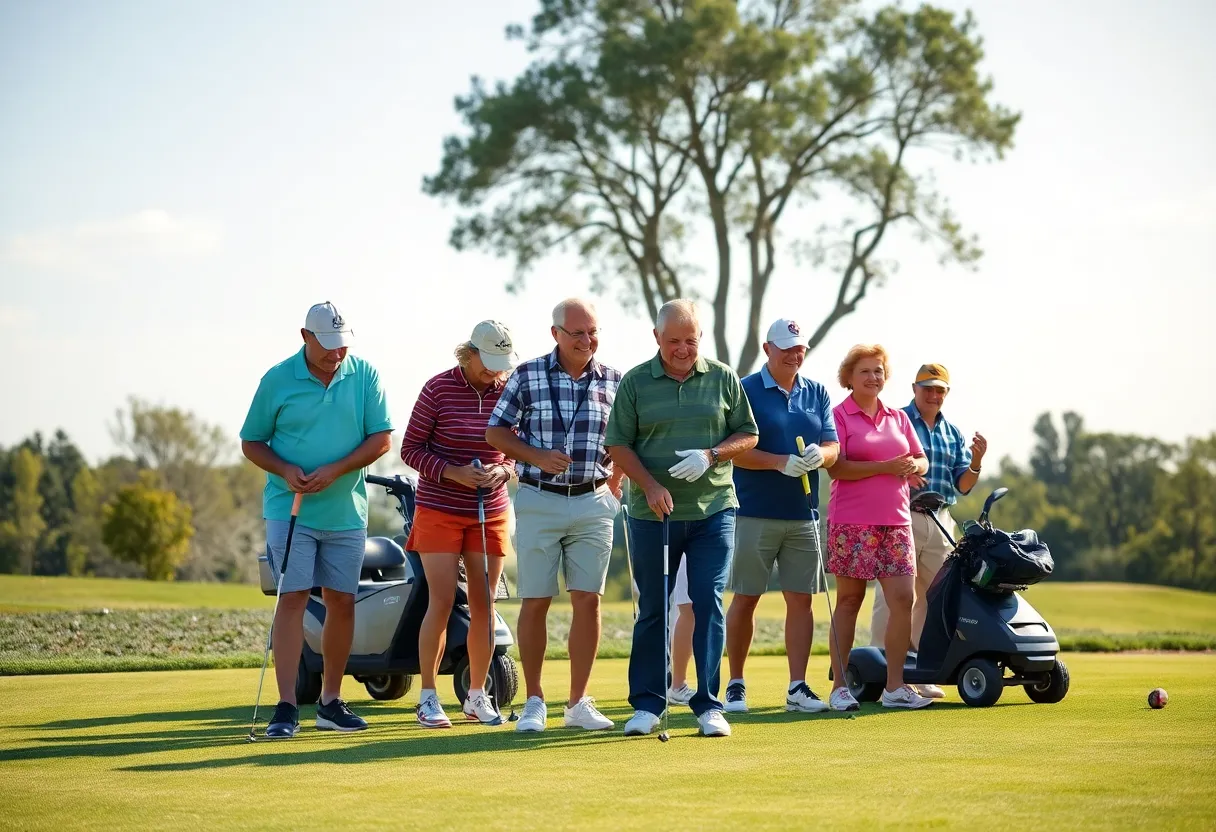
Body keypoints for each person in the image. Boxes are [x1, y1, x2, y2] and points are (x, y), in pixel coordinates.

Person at [605, 299, 759, 738]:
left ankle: (709, 705)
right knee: (654, 608)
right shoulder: (636, 382)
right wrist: (650, 486)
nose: (683, 349)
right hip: (652, 514)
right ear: (657, 338)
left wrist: (712, 454)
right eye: (674, 341)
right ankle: (648, 704)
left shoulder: (723, 377)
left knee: (708, 602)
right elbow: (618, 445)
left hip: (714, 510)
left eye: (690, 340)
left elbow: (748, 434)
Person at [240, 301, 394, 739]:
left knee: (342, 600)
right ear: (305, 337)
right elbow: (252, 442)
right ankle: (287, 705)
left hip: (347, 511)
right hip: (290, 510)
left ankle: (330, 702)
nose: (335, 355)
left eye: (342, 346)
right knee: (292, 598)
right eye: (327, 346)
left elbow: (381, 438)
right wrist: (286, 471)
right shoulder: (277, 379)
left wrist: (337, 470)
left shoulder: (363, 374)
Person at [484, 298, 623, 733]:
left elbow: (627, 439)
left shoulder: (615, 380)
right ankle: (534, 701)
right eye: (578, 333)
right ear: (556, 334)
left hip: (593, 501)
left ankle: (578, 702)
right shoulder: (527, 375)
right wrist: (537, 456)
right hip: (539, 499)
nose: (587, 340)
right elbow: (496, 430)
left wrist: (615, 484)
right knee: (537, 600)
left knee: (588, 600)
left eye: (593, 332)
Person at [400, 320, 518, 728]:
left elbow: (521, 449)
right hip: (439, 507)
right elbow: (410, 449)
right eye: (487, 363)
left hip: (491, 509)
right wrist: (452, 472)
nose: (494, 372)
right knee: (443, 600)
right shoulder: (438, 389)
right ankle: (428, 697)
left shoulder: (510, 390)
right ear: (468, 354)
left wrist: (503, 471)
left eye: (500, 364)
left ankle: (476, 696)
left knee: (485, 603)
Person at [722, 318, 840, 714]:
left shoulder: (816, 392)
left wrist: (818, 457)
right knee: (746, 598)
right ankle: (736, 683)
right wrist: (778, 462)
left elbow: (832, 447)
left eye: (800, 347)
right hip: (754, 512)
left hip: (803, 513)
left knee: (801, 601)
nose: (795, 354)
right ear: (767, 348)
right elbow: (734, 448)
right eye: (787, 347)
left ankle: (797, 687)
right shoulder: (746, 389)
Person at [824, 344, 934, 711]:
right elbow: (837, 468)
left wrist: (913, 467)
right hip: (852, 522)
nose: (874, 377)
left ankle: (895, 686)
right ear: (849, 378)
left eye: (879, 371)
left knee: (904, 599)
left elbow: (921, 460)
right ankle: (840, 687)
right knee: (850, 601)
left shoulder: (898, 418)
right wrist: (887, 466)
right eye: (866, 371)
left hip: (897, 522)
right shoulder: (839, 415)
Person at [869, 362, 987, 698]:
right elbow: (883, 464)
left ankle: (921, 671)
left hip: (940, 519)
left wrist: (976, 461)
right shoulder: (896, 420)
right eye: (927, 388)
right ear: (914, 389)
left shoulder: (952, 433)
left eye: (940, 390)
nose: (934, 395)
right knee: (891, 597)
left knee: (936, 598)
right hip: (899, 515)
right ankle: (878, 670)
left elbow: (963, 484)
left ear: (946, 394)